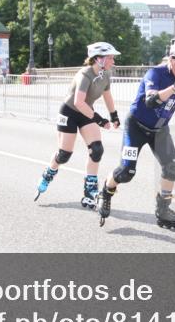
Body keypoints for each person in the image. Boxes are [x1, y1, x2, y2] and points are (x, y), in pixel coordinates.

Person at [97, 38, 175, 232]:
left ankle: (163, 210)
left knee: (172, 167)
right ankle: (106, 191)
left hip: (159, 130)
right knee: (126, 172)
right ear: (172, 59)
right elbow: (151, 101)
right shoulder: (155, 74)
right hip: (136, 127)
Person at [35, 41, 122, 208]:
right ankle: (48, 173)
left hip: (85, 112)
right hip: (70, 112)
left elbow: (107, 95)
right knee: (64, 155)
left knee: (97, 150)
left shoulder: (106, 74)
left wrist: (114, 116)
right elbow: (78, 102)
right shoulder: (85, 75)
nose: (113, 61)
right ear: (99, 59)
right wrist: (99, 119)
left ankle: (90, 192)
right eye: (110, 57)